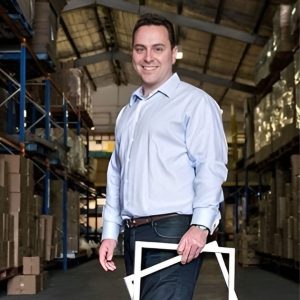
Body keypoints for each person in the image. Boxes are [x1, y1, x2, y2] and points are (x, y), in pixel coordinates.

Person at [99, 13, 228, 300]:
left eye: (158, 48)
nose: (148, 57)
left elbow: (210, 167)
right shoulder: (127, 113)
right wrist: (110, 231)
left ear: (173, 53)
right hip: (134, 235)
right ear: (132, 52)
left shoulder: (195, 103)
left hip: (174, 232)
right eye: (140, 48)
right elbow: (117, 175)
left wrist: (200, 225)